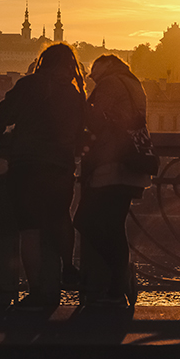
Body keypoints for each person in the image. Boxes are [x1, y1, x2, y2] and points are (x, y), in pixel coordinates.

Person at [0, 43, 86, 309]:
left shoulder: (29, 85)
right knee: (61, 217)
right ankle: (68, 267)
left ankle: (36, 290)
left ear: (44, 62)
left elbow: (3, 115)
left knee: (29, 229)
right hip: (60, 166)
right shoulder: (75, 94)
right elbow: (80, 133)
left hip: (26, 165)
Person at [74, 54, 152, 308]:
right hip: (133, 164)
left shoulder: (109, 84)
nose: (90, 73)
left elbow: (94, 122)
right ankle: (118, 285)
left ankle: (121, 277)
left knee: (85, 221)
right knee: (114, 226)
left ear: (106, 64)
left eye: (94, 67)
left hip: (111, 164)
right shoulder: (134, 84)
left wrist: (81, 99)